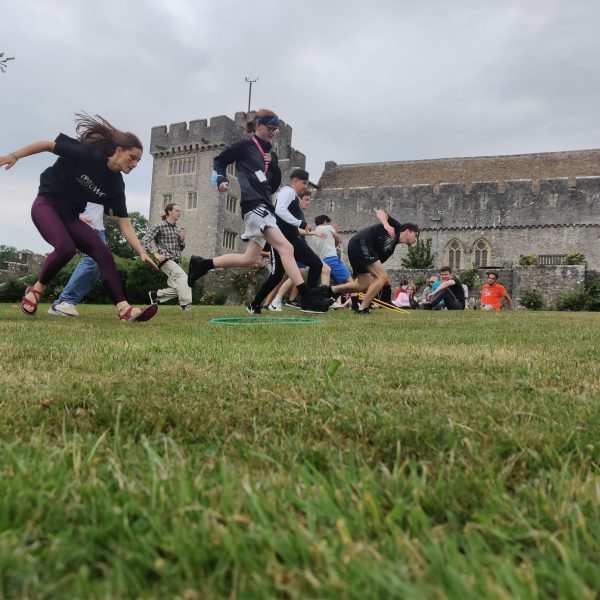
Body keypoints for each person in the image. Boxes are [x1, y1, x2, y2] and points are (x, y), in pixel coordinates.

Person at [0, 113, 159, 322]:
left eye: (139, 161)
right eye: (132, 158)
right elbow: (48, 145)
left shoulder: (116, 186)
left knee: (103, 254)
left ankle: (124, 309)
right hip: (46, 205)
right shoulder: (88, 153)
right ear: (119, 151)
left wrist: (141, 251)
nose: (135, 164)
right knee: (65, 248)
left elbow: (124, 222)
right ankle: (36, 291)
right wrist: (15, 155)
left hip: (71, 216)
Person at [186, 109, 330, 314]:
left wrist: (270, 168)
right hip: (255, 205)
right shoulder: (245, 146)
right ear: (258, 126)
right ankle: (306, 296)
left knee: (250, 259)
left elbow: (271, 183)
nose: (273, 132)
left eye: (276, 130)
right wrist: (220, 179)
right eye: (270, 128)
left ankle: (202, 264)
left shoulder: (271, 155)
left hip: (264, 206)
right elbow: (220, 160)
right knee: (286, 248)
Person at [249, 174, 331, 314]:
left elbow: (289, 222)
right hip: (282, 239)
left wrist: (307, 230)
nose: (306, 186)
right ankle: (256, 304)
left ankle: (307, 301)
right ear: (295, 181)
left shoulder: (292, 197)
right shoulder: (288, 191)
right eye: (304, 183)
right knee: (278, 275)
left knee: (315, 264)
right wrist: (302, 223)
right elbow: (280, 211)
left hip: (291, 238)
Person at [329, 210, 420, 314]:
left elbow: (375, 265)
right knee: (383, 276)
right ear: (407, 231)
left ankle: (331, 290)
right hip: (360, 243)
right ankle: (362, 308)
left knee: (363, 284)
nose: (416, 240)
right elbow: (380, 212)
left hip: (357, 248)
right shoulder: (396, 227)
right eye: (416, 235)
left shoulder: (389, 250)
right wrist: (386, 225)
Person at [47, 201, 106, 317]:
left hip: (98, 227)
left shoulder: (111, 184)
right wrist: (75, 216)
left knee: (99, 263)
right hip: (80, 221)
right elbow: (58, 192)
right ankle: (65, 301)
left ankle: (60, 304)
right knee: (92, 259)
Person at [144, 202, 192, 310]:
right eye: (177, 210)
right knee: (185, 279)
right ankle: (186, 306)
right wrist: (155, 253)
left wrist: (182, 240)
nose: (179, 213)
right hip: (165, 260)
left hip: (176, 261)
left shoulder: (177, 228)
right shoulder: (159, 225)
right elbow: (145, 240)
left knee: (180, 286)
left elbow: (179, 248)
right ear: (169, 212)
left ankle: (156, 295)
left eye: (180, 211)